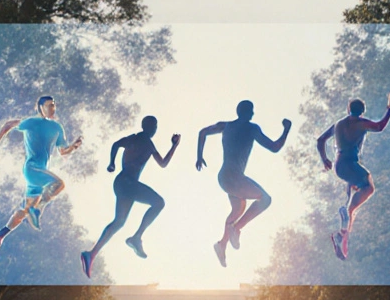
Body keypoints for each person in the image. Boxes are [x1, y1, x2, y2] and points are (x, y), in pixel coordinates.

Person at [0, 95, 83, 261]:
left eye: (53, 105)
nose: (52, 108)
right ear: (40, 108)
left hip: (39, 173)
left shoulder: (57, 127)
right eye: (49, 105)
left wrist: (73, 147)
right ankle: (37, 209)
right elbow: (8, 125)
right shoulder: (31, 122)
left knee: (24, 211)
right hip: (32, 168)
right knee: (59, 184)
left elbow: (62, 151)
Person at [80, 116, 180, 279]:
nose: (155, 129)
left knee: (119, 221)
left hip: (122, 184)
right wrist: (174, 145)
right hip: (128, 183)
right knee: (159, 203)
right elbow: (163, 163)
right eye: (154, 126)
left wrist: (112, 162)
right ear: (148, 127)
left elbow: (117, 144)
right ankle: (136, 237)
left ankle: (91, 254)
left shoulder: (138, 140)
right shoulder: (144, 142)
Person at [196, 101, 291, 267]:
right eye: (252, 111)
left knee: (238, 209)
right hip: (234, 177)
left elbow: (202, 132)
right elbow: (275, 147)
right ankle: (237, 228)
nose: (253, 114)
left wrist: (199, 156)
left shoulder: (225, 126)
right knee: (265, 199)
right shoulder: (252, 128)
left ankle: (222, 244)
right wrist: (286, 129)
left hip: (225, 177)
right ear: (247, 113)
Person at [316, 93, 390, 260]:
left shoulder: (338, 124)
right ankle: (345, 213)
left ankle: (342, 235)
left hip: (340, 165)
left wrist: (325, 159)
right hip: (349, 164)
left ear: (348, 110)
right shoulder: (360, 123)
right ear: (362, 111)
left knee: (355, 196)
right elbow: (379, 126)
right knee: (369, 186)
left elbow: (320, 140)